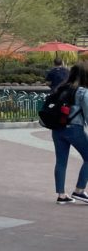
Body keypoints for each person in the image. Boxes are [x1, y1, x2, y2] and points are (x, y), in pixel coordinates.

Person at [49, 61, 88, 205]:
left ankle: (61, 195)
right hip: (74, 129)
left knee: (61, 161)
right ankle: (79, 190)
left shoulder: (61, 88)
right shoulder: (83, 92)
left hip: (57, 129)